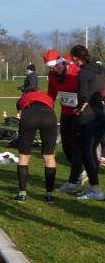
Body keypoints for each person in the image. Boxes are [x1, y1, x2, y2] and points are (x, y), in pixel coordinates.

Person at [45, 49, 85, 193]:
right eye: (51, 68)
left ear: (62, 62)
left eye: (56, 66)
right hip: (66, 113)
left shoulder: (77, 72)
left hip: (81, 113)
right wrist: (47, 107)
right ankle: (81, 170)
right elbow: (51, 93)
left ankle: (74, 180)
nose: (54, 69)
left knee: (76, 147)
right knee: (67, 147)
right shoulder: (52, 75)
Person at [70, 45, 105, 200]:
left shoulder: (83, 73)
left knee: (87, 153)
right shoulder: (100, 69)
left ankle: (96, 190)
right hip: (100, 114)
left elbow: (83, 94)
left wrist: (79, 107)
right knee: (91, 152)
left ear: (76, 57)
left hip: (88, 117)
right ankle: (92, 186)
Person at [13, 89, 58, 202]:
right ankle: (49, 194)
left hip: (30, 115)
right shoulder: (46, 96)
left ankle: (22, 194)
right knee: (49, 156)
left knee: (24, 156)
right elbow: (52, 107)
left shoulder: (23, 98)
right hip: (49, 115)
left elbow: (19, 114)